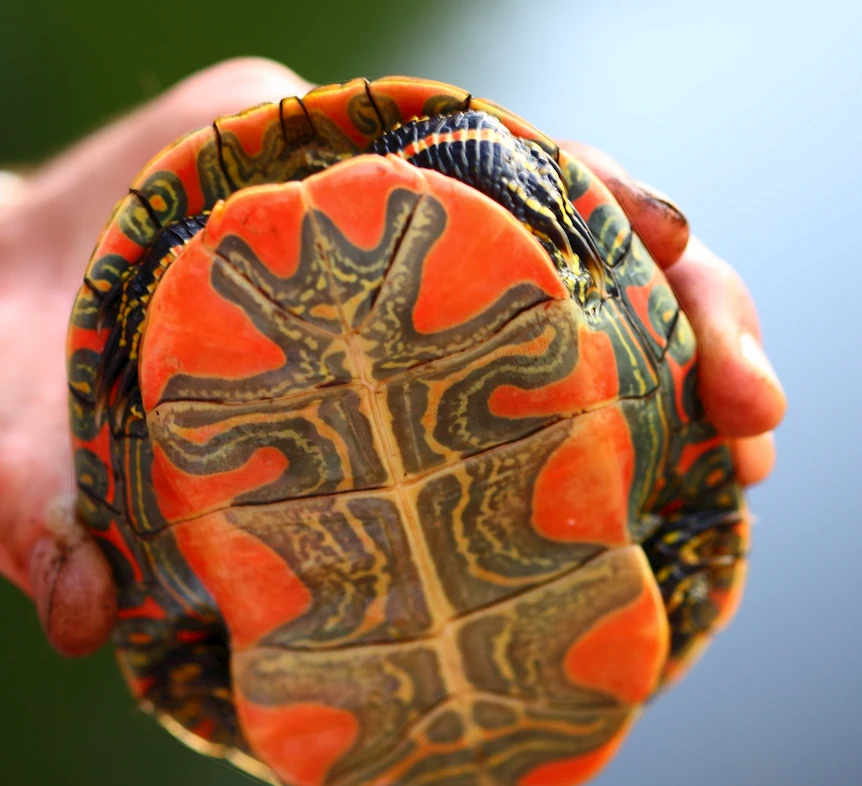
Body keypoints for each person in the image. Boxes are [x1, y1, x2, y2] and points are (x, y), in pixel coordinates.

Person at [0, 58, 786, 658]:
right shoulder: (448, 156)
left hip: (327, 669)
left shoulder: (174, 259)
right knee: (491, 165)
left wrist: (26, 238)